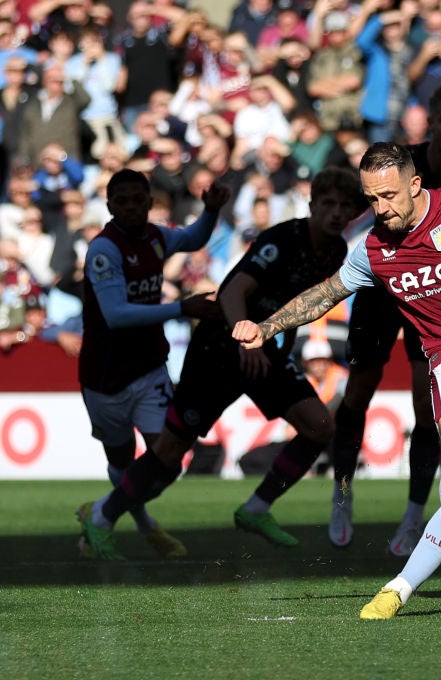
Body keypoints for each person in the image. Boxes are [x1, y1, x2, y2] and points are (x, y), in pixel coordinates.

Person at [231, 141, 441, 619]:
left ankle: (403, 584)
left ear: (415, 184)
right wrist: (266, 327)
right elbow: (325, 294)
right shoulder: (375, 249)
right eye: (372, 199)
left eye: (389, 196)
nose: (381, 209)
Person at [77, 167, 367, 560]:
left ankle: (256, 508)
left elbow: (300, 303)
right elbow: (233, 292)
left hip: (263, 350)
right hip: (219, 348)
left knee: (319, 427)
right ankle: (103, 516)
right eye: (328, 203)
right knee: (169, 453)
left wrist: (274, 344)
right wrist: (246, 339)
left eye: (345, 206)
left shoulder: (335, 252)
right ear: (312, 205)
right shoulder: (282, 239)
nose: (336, 212)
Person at [328, 83, 441, 557]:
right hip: (386, 291)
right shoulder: (402, 163)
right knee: (358, 392)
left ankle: (411, 516)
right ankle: (341, 495)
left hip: (437, 298)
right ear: (432, 122)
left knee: (428, 409)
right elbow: (367, 208)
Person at [76, 169, 230, 558]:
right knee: (123, 459)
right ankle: (144, 526)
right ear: (109, 206)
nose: (129, 206)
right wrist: (182, 307)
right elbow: (115, 315)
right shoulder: (104, 250)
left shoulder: (157, 237)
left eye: (136, 199)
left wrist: (210, 212)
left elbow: (193, 238)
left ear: (149, 203)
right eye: (121, 200)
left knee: (169, 458)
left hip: (149, 369)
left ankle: (100, 514)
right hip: (105, 376)